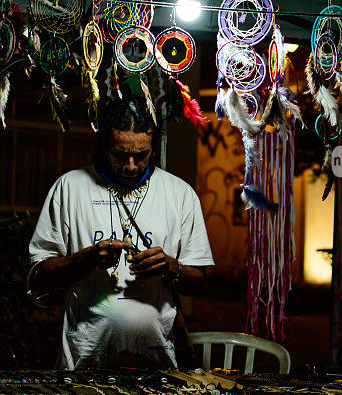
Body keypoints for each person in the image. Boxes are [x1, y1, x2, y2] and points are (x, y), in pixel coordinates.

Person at [28, 94, 214, 370]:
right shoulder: (69, 188)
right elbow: (40, 276)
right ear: (104, 144)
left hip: (157, 363)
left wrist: (170, 267)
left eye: (141, 155)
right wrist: (87, 258)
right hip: (82, 362)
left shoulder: (180, 194)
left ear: (154, 144)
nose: (130, 165)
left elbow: (200, 281)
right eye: (120, 154)